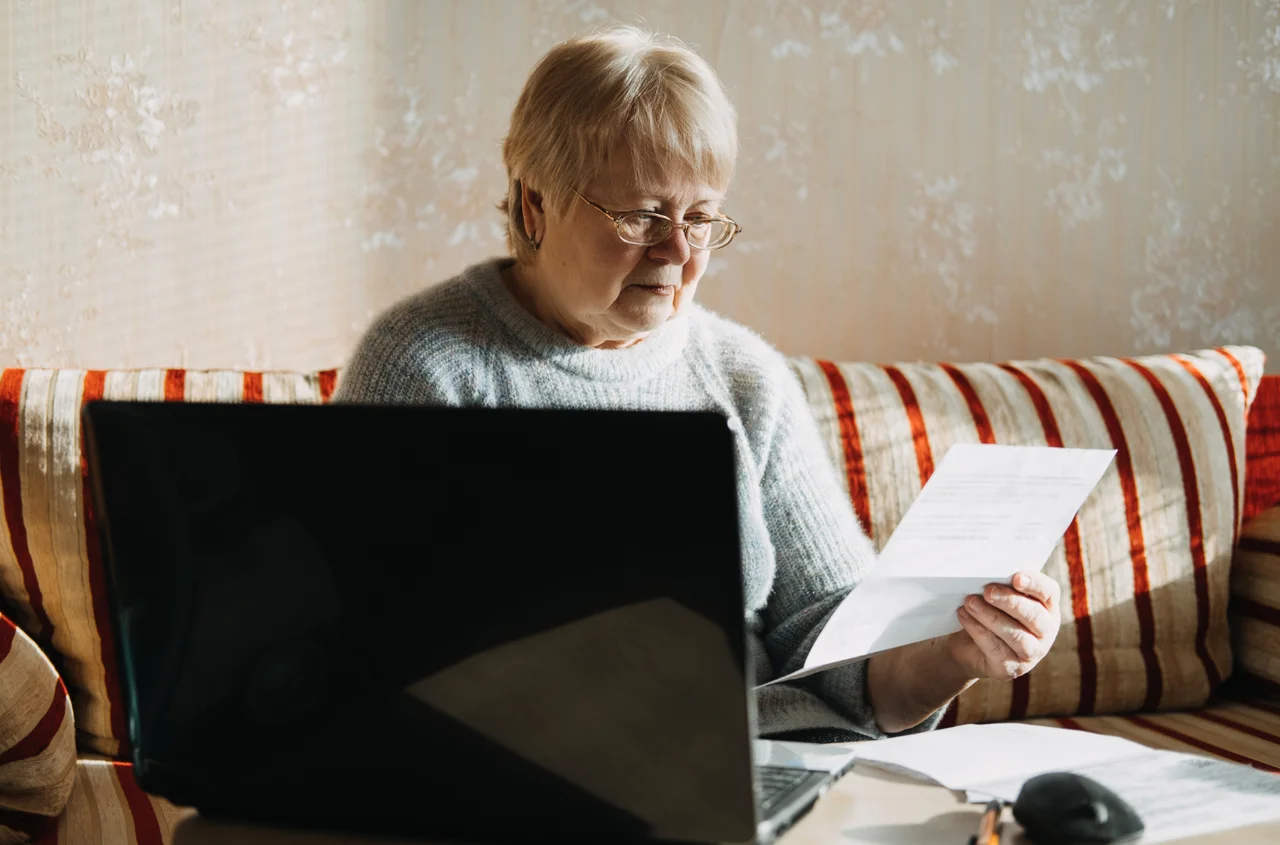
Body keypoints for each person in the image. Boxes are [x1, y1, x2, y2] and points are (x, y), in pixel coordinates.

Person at [333, 26, 1062, 742]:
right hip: (505, 760)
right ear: (535, 205)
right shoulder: (425, 363)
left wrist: (955, 655)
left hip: (752, 760)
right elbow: (357, 637)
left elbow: (843, 656)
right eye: (642, 215)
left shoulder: (744, 378)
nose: (678, 251)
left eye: (701, 217)